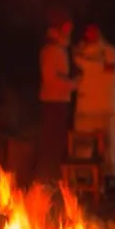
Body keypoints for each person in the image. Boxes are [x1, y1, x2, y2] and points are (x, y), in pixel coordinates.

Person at [72, 23, 115, 182]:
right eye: (88, 32)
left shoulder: (108, 51)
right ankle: (83, 175)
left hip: (105, 105)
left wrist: (84, 62)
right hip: (86, 106)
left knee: (108, 143)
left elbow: (106, 72)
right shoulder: (79, 52)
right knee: (84, 143)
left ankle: (107, 175)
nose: (91, 34)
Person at [35, 17, 79, 182]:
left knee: (58, 140)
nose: (69, 34)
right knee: (52, 141)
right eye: (66, 30)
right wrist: (73, 84)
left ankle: (54, 176)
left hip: (59, 100)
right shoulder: (51, 51)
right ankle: (48, 177)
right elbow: (51, 79)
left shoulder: (59, 50)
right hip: (53, 101)